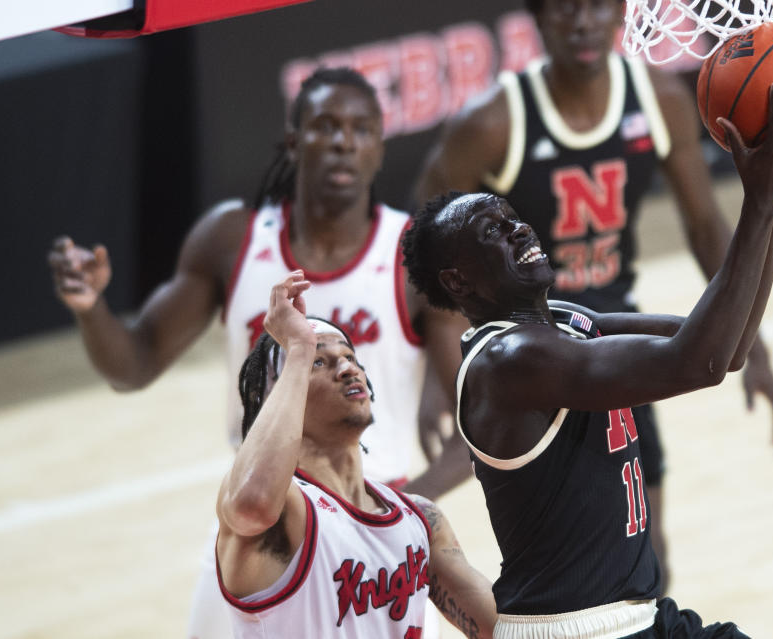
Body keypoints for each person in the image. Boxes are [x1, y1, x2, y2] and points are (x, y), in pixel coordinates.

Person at [402, 84, 773, 637]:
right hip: (581, 630)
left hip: (641, 620)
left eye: (512, 216)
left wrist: (771, 215)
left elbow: (724, 347)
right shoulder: (509, 361)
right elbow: (697, 362)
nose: (519, 228)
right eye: (493, 231)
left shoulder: (555, 320)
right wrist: (755, 205)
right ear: (458, 280)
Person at [47, 67, 470, 638]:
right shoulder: (232, 239)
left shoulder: (412, 256)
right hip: (261, 518)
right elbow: (135, 365)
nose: (345, 140)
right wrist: (92, 307)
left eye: (361, 128)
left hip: (376, 519)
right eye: (326, 126)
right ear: (294, 142)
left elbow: (477, 423)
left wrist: (396, 514)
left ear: (378, 149)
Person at [413, 0, 773, 590]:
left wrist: (757, 344)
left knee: (645, 548)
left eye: (597, 7)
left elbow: (703, 232)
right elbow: (434, 250)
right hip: (527, 353)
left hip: (600, 330)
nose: (583, 23)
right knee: (572, 556)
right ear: (537, 20)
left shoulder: (658, 99)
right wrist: (443, 377)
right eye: (566, 10)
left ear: (621, 13)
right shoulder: (493, 123)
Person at [217, 271, 497, 638]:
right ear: (277, 397)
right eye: (320, 362)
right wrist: (300, 348)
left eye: (350, 357)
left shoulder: (419, 520)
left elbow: (499, 628)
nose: (348, 368)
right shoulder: (285, 511)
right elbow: (252, 505)